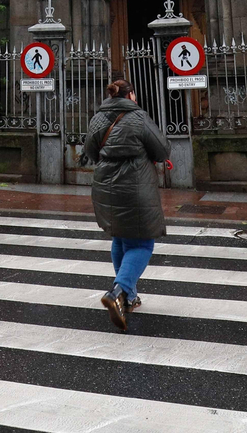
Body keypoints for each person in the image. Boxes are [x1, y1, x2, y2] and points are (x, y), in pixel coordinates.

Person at [82, 77, 170, 331]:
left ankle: (128, 297)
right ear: (130, 96)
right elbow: (162, 150)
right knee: (142, 242)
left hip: (105, 187)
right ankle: (119, 290)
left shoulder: (97, 118)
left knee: (120, 237)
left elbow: (90, 151)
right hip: (135, 187)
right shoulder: (139, 118)